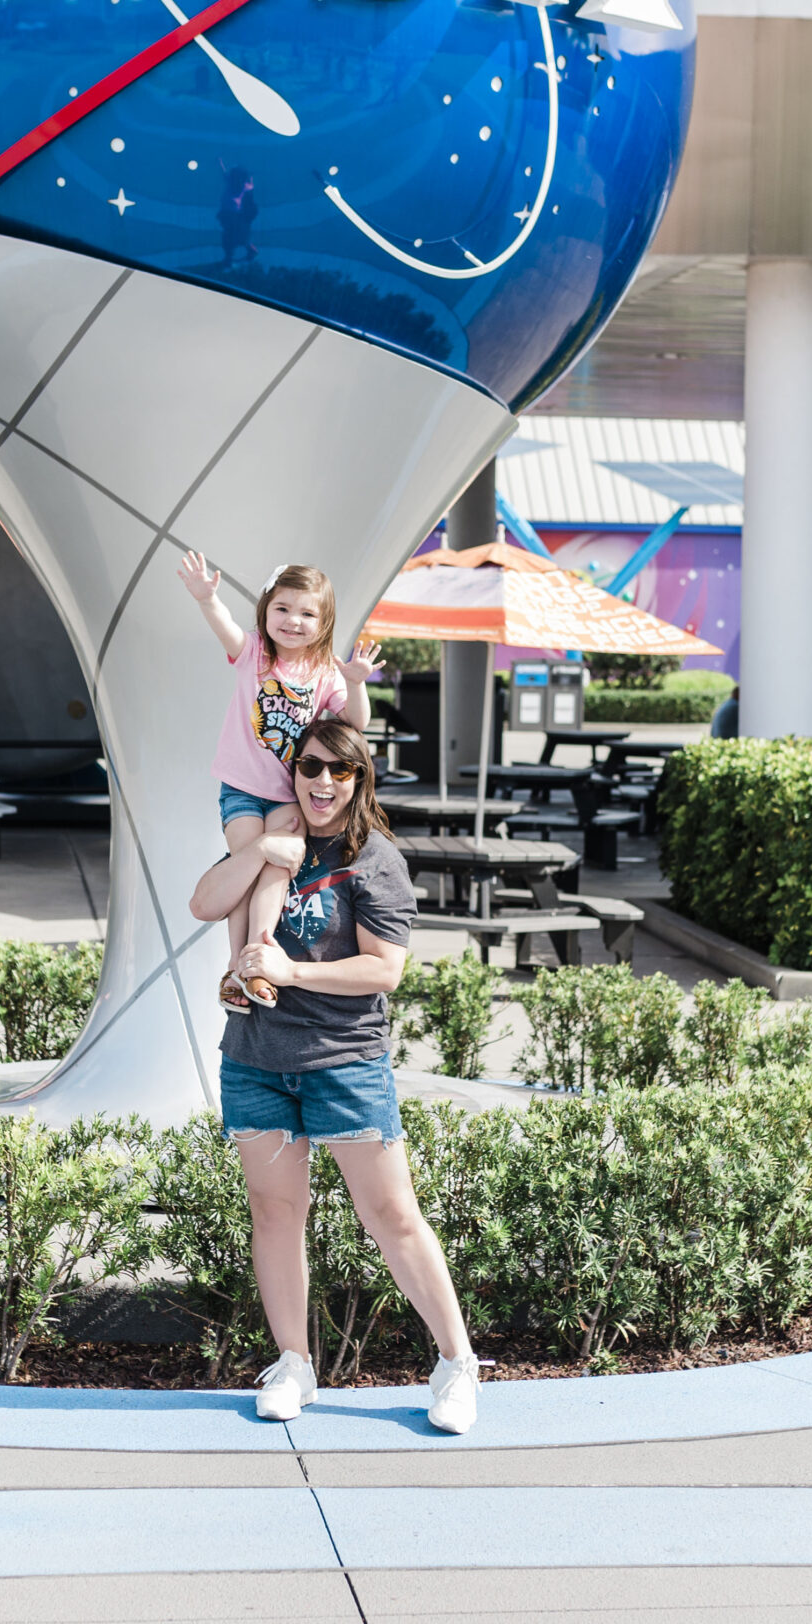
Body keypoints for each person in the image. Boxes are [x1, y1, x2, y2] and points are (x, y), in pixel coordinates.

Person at [189, 716, 482, 1432]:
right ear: (291, 774)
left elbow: (384, 969)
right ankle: (293, 1363)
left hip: (343, 1063)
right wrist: (259, 845)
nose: (322, 782)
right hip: (256, 1061)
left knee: (390, 1218)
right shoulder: (273, 843)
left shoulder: (374, 857)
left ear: (359, 778)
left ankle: (456, 1363)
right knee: (275, 1215)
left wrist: (292, 971)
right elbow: (204, 903)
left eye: (338, 771)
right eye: (309, 767)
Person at [179, 552, 379, 1013]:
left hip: (289, 793)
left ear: (325, 622)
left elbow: (355, 721)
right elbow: (225, 628)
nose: (293, 621)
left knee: (280, 865)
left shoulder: (326, 670)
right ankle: (235, 968)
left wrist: (356, 681)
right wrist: (208, 600)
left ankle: (259, 961)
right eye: (283, 609)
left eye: (308, 613)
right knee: (246, 869)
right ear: (266, 611)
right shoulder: (253, 653)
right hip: (242, 789)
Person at [216, 166, 258, 268]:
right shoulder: (232, 182)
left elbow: (251, 185)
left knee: (240, 237)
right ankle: (228, 258)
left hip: (236, 216)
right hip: (228, 214)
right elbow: (224, 172)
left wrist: (250, 177)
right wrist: (219, 162)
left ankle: (235, 257)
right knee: (229, 238)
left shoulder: (244, 186)